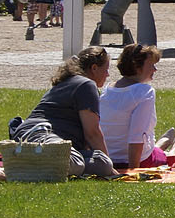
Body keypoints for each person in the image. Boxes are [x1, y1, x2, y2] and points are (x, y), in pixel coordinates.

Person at [10, 46, 117, 178]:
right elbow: (92, 133)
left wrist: (108, 165)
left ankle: (29, 161)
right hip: (42, 134)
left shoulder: (68, 81)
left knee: (101, 164)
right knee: (77, 162)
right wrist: (113, 173)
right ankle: (16, 171)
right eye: (106, 69)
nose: (108, 74)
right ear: (94, 68)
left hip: (33, 136)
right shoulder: (86, 85)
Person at [98, 43, 175, 169]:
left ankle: (162, 143)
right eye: (151, 65)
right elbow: (136, 136)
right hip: (135, 159)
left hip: (108, 157)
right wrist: (133, 170)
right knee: (165, 156)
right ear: (137, 67)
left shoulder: (108, 89)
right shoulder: (144, 92)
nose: (155, 69)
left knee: (154, 149)